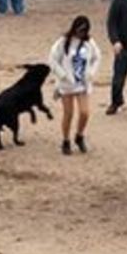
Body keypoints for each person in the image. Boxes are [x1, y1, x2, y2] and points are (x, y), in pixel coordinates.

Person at [48, 15, 101, 156]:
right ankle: (65, 140)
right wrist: (62, 75)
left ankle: (79, 135)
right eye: (79, 30)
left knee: (85, 112)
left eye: (84, 31)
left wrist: (91, 73)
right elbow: (53, 60)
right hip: (67, 84)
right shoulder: (63, 42)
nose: (81, 34)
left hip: (82, 83)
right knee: (68, 113)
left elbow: (97, 58)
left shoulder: (89, 43)